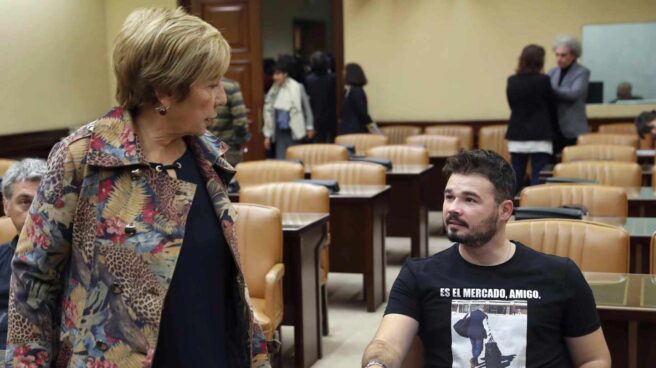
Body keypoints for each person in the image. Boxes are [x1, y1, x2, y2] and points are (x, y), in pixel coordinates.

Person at [4, 7, 270, 368]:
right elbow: (33, 282)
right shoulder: (83, 157)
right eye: (210, 85)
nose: (222, 98)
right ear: (164, 91)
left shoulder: (209, 158)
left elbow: (223, 285)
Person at [362, 150, 611, 368]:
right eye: (449, 197)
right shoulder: (419, 275)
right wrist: (376, 364)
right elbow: (386, 345)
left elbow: (594, 360)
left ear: (504, 211)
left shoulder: (560, 275)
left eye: (469, 199)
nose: (453, 208)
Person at [0, 159, 47, 362]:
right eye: (26, 202)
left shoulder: (82, 262)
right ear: (6, 206)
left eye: (44, 201)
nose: (36, 212)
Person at [506, 44, 558, 192]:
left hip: (517, 132)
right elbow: (551, 107)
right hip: (540, 133)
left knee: (516, 174)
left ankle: (512, 208)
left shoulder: (512, 80)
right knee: (539, 175)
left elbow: (512, 104)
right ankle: (535, 208)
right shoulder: (543, 80)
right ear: (540, 61)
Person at [547, 35, 591, 154]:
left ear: (573, 55)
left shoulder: (582, 72)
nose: (559, 59)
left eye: (563, 55)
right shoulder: (552, 72)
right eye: (557, 55)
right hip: (553, 128)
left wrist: (550, 89)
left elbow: (574, 93)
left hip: (572, 128)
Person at [263, 59, 315, 159]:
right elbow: (269, 112)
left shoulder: (297, 87)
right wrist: (267, 136)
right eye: (274, 74)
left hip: (294, 129)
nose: (275, 77)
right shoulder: (273, 90)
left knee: (295, 159)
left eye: (278, 74)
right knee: (281, 159)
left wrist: (310, 127)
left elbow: (307, 108)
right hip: (279, 131)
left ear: (285, 74)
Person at [208, 77, 251, 166]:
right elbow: (240, 120)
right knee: (230, 177)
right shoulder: (231, 86)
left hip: (205, 143)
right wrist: (240, 139)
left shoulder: (200, 83)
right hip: (228, 145)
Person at [305, 51, 337, 143]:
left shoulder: (309, 79)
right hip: (331, 115)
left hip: (315, 115)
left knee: (318, 143)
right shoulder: (333, 78)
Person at [339, 63, 374, 134]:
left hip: (355, 132)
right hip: (349, 130)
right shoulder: (350, 90)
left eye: (345, 70)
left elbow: (363, 114)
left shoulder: (356, 91)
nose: (342, 72)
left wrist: (375, 131)